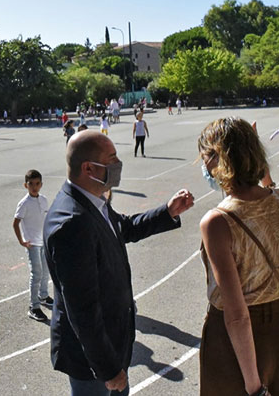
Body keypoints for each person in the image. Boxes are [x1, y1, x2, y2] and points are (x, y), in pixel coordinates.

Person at [44, 130, 195, 395]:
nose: (117, 165)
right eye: (111, 159)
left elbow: (122, 228)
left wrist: (167, 212)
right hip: (92, 363)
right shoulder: (72, 224)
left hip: (112, 347)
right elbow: (83, 310)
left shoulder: (92, 201)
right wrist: (108, 370)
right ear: (89, 168)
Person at [196, 117, 279, 396]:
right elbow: (268, 185)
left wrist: (253, 384)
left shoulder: (218, 221)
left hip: (233, 342)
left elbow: (237, 314)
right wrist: (250, 149)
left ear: (217, 161)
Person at [12, 170, 53, 322]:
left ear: (41, 184)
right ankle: (33, 306)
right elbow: (15, 223)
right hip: (32, 244)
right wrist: (22, 241)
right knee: (36, 274)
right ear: (25, 185)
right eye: (31, 184)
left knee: (45, 271)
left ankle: (43, 296)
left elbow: (47, 218)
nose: (34, 187)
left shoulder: (43, 200)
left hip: (43, 242)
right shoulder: (24, 203)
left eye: (37, 184)